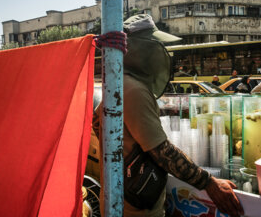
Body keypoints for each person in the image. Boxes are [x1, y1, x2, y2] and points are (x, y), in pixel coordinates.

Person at [92, 14, 244, 217]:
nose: (159, 52)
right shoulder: (133, 89)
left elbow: (96, 122)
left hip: (118, 203)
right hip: (136, 211)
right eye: (154, 45)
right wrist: (209, 182)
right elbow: (162, 151)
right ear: (140, 49)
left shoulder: (119, 83)